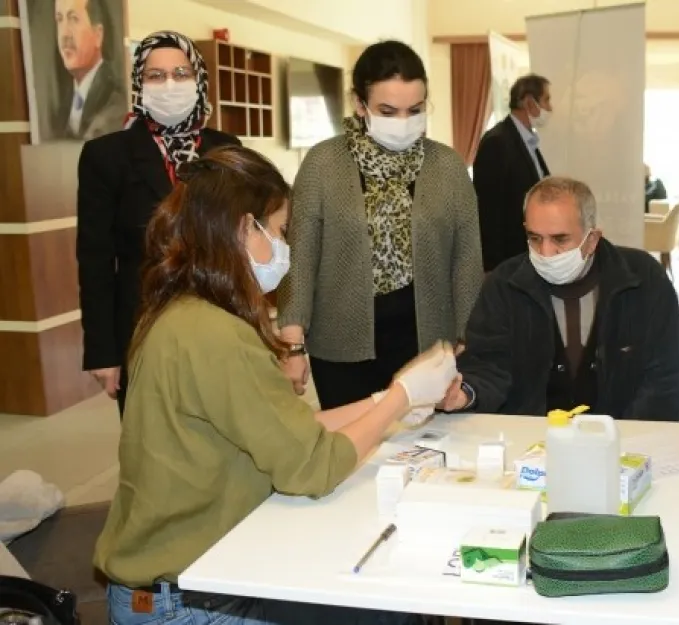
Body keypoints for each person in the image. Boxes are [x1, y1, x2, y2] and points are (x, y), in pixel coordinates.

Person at [93, 145, 453, 625]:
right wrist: (401, 396)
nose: (284, 250)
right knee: (384, 607)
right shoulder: (216, 334)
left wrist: (378, 402)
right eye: (280, 233)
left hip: (169, 586)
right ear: (245, 228)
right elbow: (312, 466)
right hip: (190, 600)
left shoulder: (180, 312)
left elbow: (282, 429)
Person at [278, 40, 483, 409]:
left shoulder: (448, 166)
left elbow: (466, 263)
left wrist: (469, 342)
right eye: (388, 110)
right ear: (360, 104)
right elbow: (301, 260)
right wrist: (292, 345)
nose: (403, 122)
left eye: (415, 110)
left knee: (429, 450)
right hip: (342, 345)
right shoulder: (323, 163)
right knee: (351, 450)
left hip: (427, 345)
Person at [77, 31, 239, 415]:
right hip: (142, 326)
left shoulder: (226, 148)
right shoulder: (106, 155)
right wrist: (102, 351)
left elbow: (240, 243)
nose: (170, 84)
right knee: (153, 445)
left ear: (198, 80)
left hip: (218, 318)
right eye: (156, 75)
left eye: (182, 73)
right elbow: (95, 259)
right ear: (139, 83)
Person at [438, 177, 679, 421]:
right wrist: (465, 395)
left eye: (560, 239)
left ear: (591, 239)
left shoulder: (643, 279)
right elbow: (488, 363)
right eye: (534, 238)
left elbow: (667, 375)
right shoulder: (504, 284)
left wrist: (626, 441)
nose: (546, 252)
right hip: (529, 444)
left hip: (621, 443)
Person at [473, 74, 553, 271]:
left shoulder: (528, 142)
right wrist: (493, 268)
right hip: (508, 259)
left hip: (531, 255)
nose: (550, 108)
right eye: (546, 100)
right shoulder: (498, 142)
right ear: (528, 101)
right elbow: (489, 211)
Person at [52, 0, 127, 141]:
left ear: (98, 35)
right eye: (59, 20)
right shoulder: (63, 107)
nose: (64, 33)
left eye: (74, 19)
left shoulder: (116, 97)